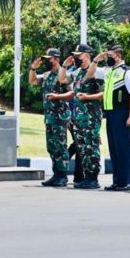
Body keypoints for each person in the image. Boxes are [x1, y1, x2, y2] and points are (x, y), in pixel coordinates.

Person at [89, 45, 130, 192]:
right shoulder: (108, 70)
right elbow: (90, 73)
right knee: (114, 149)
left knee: (123, 148)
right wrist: (97, 59)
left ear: (119, 56)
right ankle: (117, 180)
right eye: (107, 55)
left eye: (111, 55)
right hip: (110, 114)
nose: (108, 57)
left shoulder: (126, 72)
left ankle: (125, 181)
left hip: (122, 113)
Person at [58, 44, 104, 190]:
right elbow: (62, 81)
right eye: (76, 55)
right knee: (82, 148)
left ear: (87, 55)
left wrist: (88, 96)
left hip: (91, 116)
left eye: (79, 55)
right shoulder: (77, 72)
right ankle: (85, 177)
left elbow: (105, 92)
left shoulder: (97, 72)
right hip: (78, 117)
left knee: (92, 146)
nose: (77, 57)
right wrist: (64, 66)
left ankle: (93, 178)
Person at [29, 48, 73, 188]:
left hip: (60, 116)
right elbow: (33, 81)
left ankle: (63, 176)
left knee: (61, 146)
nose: (47, 61)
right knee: (52, 146)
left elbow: (72, 92)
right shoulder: (47, 74)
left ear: (57, 59)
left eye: (50, 59)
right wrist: (33, 68)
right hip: (49, 116)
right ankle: (56, 174)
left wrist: (57, 97)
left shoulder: (63, 74)